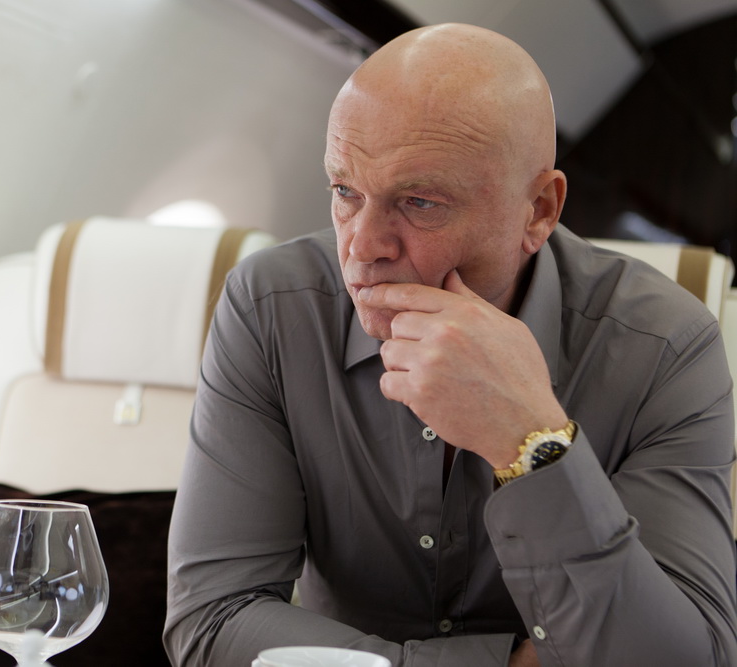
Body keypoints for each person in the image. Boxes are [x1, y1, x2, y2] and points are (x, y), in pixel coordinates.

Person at [163, 22, 737, 667]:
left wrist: (532, 441)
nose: (361, 247)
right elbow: (211, 622)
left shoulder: (665, 348)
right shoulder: (272, 308)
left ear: (539, 211)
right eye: (345, 192)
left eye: (419, 202)